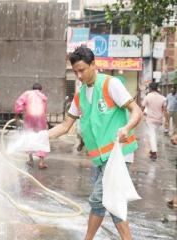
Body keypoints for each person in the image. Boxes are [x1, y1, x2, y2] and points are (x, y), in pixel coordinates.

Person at [48, 46, 142, 240]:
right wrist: (39, 137)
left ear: (93, 64)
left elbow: (136, 111)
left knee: (102, 198)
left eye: (82, 70)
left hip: (118, 154)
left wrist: (126, 128)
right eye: (75, 72)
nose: (79, 75)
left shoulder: (110, 84)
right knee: (108, 202)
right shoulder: (80, 95)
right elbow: (65, 125)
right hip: (100, 158)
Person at [14, 83, 48, 169]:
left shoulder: (27, 93)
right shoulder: (42, 96)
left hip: (29, 118)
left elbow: (18, 103)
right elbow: (44, 110)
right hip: (40, 119)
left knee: (29, 136)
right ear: (41, 89)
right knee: (41, 138)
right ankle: (41, 162)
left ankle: (30, 159)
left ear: (32, 89)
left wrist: (17, 114)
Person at [142, 82, 167, 161]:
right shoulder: (162, 97)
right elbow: (164, 109)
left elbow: (143, 106)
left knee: (152, 135)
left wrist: (141, 114)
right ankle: (153, 150)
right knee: (153, 135)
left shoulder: (148, 96)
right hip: (159, 120)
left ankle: (154, 152)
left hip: (150, 120)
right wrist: (166, 121)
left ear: (150, 88)